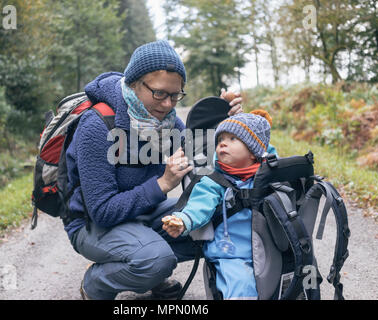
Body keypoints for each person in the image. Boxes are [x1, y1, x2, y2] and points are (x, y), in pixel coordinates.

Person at [64, 40, 244, 300]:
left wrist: (226, 121)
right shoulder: (98, 124)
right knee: (156, 259)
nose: (168, 104)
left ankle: (151, 267)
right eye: (159, 93)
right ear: (134, 84)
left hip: (143, 215)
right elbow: (102, 211)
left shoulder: (166, 121)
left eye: (175, 95)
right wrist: (162, 184)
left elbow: (206, 161)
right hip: (91, 226)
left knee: (214, 222)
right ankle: (97, 283)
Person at [162, 110, 274, 299]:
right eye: (220, 138)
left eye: (232, 139)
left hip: (268, 250)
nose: (223, 143)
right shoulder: (215, 181)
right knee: (241, 288)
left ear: (254, 151)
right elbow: (199, 205)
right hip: (232, 253)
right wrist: (183, 220)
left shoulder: (269, 176)